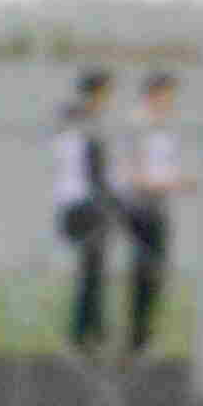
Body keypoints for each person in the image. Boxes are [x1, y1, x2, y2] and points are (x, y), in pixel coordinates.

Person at [118, 69, 185, 360]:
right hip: (138, 207)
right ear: (153, 94)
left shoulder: (166, 128)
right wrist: (168, 183)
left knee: (155, 273)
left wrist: (175, 182)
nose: (171, 100)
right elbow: (132, 173)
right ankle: (135, 339)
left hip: (158, 206)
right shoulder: (138, 125)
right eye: (167, 94)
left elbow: (165, 167)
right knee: (143, 273)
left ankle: (143, 337)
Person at [52, 70, 121, 352]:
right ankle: (85, 332)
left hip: (80, 202)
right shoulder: (84, 124)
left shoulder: (75, 121)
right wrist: (110, 203)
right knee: (92, 270)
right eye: (106, 93)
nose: (109, 100)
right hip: (84, 205)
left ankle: (91, 329)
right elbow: (93, 171)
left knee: (93, 270)